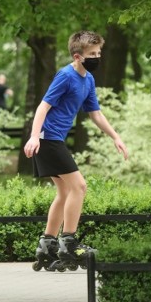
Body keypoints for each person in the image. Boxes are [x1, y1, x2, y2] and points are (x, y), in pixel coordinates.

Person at [24, 30, 128, 270]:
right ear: (78, 56)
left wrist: (115, 136)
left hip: (54, 139)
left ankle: (47, 244)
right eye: (92, 54)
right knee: (79, 186)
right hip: (46, 138)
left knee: (64, 191)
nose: (97, 57)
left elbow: (95, 114)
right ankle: (68, 242)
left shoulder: (88, 80)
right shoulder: (65, 76)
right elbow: (43, 106)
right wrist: (33, 137)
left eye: (99, 52)